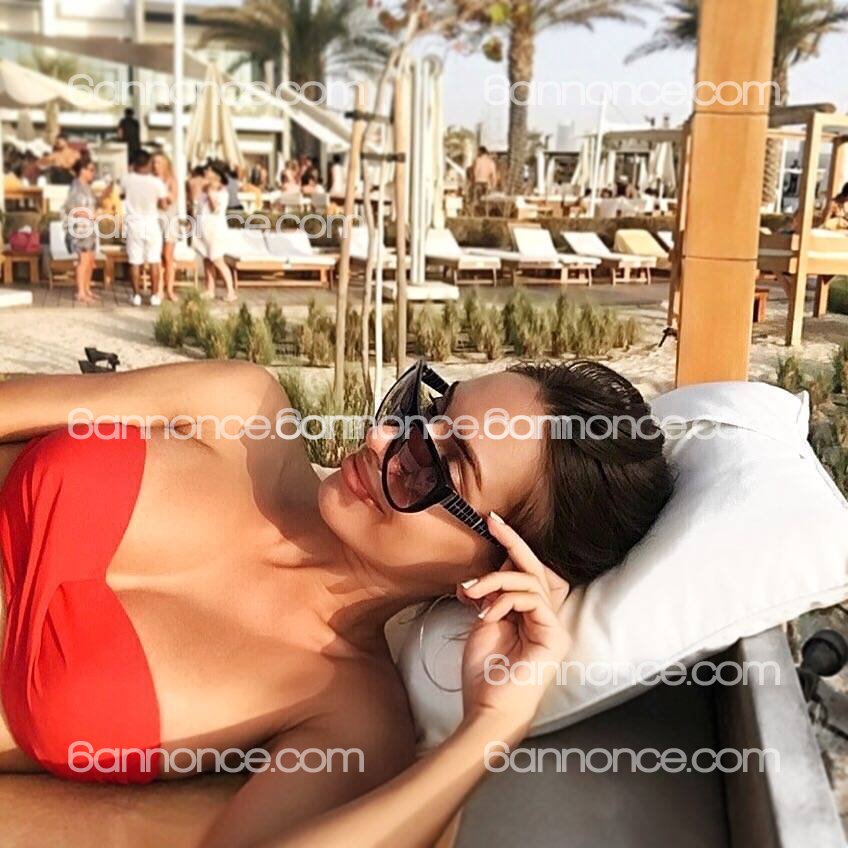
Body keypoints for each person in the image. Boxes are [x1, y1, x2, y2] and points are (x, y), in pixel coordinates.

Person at [0, 357, 672, 846]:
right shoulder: (242, 413)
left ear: (500, 569)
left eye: (439, 467)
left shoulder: (353, 717)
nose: (383, 442)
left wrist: (491, 730)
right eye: (426, 411)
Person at [121, 149, 169, 307]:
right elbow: (163, 205)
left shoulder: (127, 179)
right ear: (148, 163)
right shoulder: (156, 182)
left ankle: (136, 296)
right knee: (154, 260)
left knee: (135, 261)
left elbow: (122, 195)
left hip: (134, 224)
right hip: (151, 224)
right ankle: (154, 295)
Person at [194, 162, 237, 302]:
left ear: (216, 174)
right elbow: (199, 209)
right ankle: (209, 289)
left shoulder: (221, 192)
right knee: (207, 260)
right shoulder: (204, 189)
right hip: (203, 228)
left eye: (209, 169)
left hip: (215, 229)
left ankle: (231, 291)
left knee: (218, 260)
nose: (206, 171)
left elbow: (215, 209)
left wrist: (210, 193)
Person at [62, 158, 102, 304]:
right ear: (82, 170)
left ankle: (87, 289)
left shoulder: (87, 187)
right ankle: (80, 292)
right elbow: (71, 208)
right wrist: (90, 215)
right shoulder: (76, 187)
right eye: (91, 170)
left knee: (90, 260)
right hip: (80, 228)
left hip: (90, 227)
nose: (93, 173)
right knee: (83, 259)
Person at [151, 153, 179, 301]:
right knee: (157, 256)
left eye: (159, 162)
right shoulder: (151, 180)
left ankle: (170, 290)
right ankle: (159, 289)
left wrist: (161, 194)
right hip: (155, 220)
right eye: (154, 162)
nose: (156, 165)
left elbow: (169, 201)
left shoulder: (171, 180)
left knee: (168, 256)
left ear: (166, 164)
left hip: (170, 220)